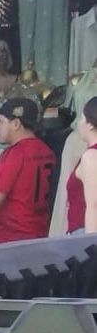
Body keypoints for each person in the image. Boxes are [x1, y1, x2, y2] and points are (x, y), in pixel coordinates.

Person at [0, 98, 55, 243]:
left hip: (10, 240)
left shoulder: (14, 155)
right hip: (40, 235)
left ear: (16, 124)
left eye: (1, 122)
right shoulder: (48, 151)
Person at [66, 97, 97, 235]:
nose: (79, 123)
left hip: (86, 232)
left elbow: (94, 206)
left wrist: (90, 243)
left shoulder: (92, 156)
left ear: (90, 124)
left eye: (82, 118)